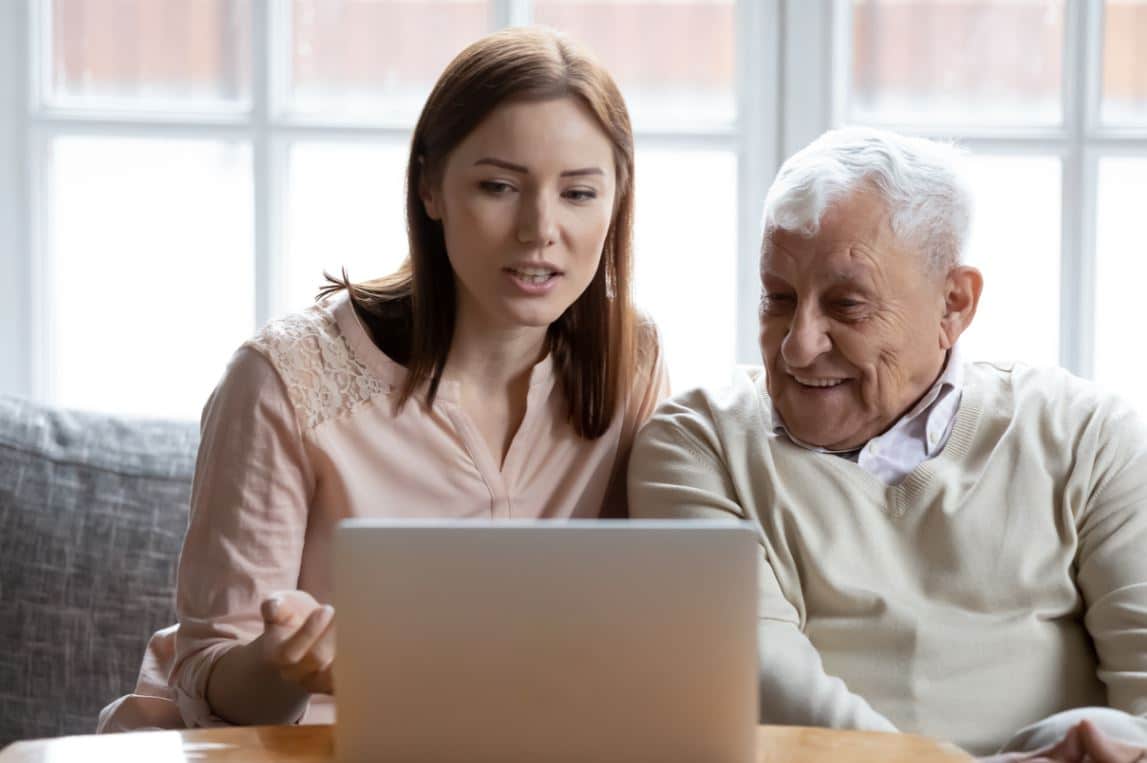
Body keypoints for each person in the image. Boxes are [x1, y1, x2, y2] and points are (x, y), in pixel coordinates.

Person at [99, 26, 668, 731]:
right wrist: (284, 665)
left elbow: (658, 624)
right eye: (497, 186)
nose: (539, 228)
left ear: (617, 200)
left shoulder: (630, 360)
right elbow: (210, 678)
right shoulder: (283, 378)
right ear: (429, 185)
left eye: (579, 193)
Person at [628, 127, 1147, 760]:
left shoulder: (1089, 438)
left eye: (846, 305)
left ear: (954, 303)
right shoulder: (695, 448)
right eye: (779, 299)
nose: (797, 345)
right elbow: (766, 683)